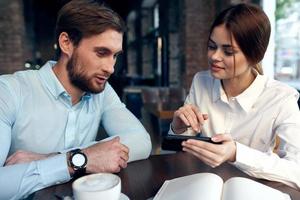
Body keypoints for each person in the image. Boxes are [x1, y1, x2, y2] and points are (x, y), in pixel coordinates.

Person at [0, 0, 151, 199]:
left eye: (114, 56)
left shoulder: (102, 92)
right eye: (101, 53)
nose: (110, 68)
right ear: (66, 43)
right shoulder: (9, 91)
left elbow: (142, 141)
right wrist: (83, 159)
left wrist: (62, 159)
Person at [170, 3, 300, 189]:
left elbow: (297, 171)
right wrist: (178, 128)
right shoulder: (201, 81)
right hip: (204, 185)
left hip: (252, 190)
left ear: (255, 55)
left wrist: (236, 153)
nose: (215, 56)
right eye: (212, 46)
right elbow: (183, 145)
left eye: (228, 51)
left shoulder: (281, 98)